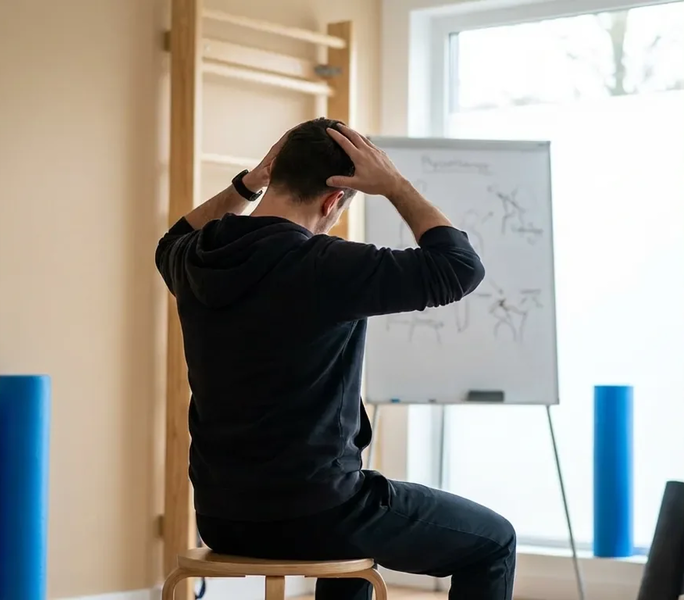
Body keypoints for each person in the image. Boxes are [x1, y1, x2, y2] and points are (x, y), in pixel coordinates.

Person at [155, 118, 516, 600]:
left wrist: (247, 183)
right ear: (332, 201)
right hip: (319, 512)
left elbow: (170, 240)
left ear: (274, 177)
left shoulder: (196, 256)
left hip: (223, 518)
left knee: (343, 520)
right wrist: (394, 185)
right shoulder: (326, 265)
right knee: (494, 542)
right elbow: (459, 267)